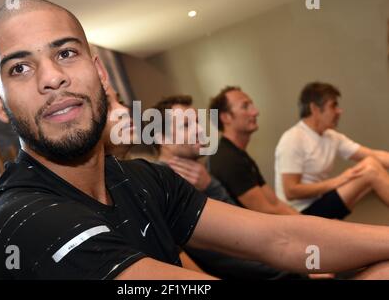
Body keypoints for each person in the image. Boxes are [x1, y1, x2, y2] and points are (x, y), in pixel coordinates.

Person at [0, 0, 389, 280]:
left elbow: (280, 237)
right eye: (19, 68)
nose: (52, 77)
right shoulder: (21, 221)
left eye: (65, 53)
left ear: (100, 73)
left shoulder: (144, 180)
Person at [150, 94, 303, 279]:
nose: (200, 129)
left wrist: (210, 185)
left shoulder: (201, 172)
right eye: (186, 125)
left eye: (197, 122)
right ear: (162, 139)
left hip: (277, 266)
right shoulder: (158, 184)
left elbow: (240, 227)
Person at [275, 82, 389, 219]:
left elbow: (374, 155)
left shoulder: (331, 136)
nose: (339, 111)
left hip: (320, 200)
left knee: (371, 163)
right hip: (300, 213)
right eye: (333, 105)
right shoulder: (293, 138)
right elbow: (291, 191)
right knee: (370, 170)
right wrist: (338, 181)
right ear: (315, 109)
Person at [209, 86, 299, 215]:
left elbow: (275, 203)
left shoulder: (238, 154)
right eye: (245, 106)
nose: (255, 112)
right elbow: (267, 213)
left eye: (252, 105)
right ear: (225, 117)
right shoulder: (227, 159)